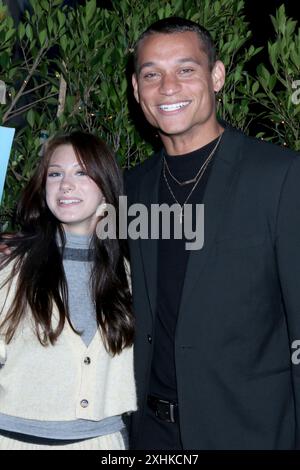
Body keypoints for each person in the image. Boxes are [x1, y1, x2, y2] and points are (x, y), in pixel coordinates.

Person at [124, 17, 300, 449]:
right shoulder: (132, 187)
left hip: (250, 433)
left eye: (185, 69)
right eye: (152, 74)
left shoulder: (279, 177)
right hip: (152, 435)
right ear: (135, 88)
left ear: (216, 76)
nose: (168, 87)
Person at [0, 131, 136, 450]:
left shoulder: (133, 273)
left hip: (102, 443)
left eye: (82, 172)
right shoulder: (10, 267)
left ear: (106, 187)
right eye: (56, 174)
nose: (66, 184)